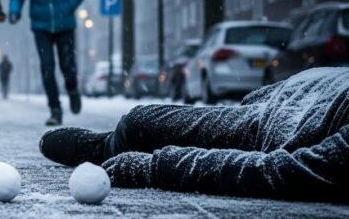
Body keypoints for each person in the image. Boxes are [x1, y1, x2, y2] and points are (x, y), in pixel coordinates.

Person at [39, 68, 349, 202]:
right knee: (139, 122)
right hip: (278, 98)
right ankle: (111, 141)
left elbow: (282, 172)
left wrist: (153, 168)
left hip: (266, 127)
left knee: (140, 122)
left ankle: (104, 150)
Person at [9, 0, 88, 126]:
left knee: (68, 66)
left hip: (65, 24)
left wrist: (68, 6)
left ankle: (72, 89)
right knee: (46, 67)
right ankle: (55, 110)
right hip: (41, 25)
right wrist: (14, 10)